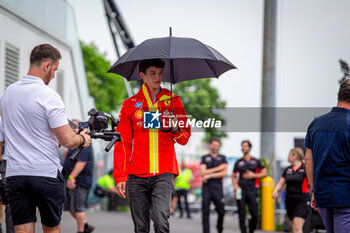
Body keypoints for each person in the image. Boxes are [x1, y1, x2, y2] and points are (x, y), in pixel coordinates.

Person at [0, 44, 91, 233]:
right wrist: (82, 139)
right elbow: (67, 140)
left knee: (22, 228)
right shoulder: (49, 96)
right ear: (47, 66)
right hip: (45, 174)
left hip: (16, 174)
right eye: (55, 70)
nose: (54, 75)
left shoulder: (8, 93)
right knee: (51, 228)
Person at [114, 59, 191, 233]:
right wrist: (120, 176)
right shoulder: (130, 105)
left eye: (160, 73)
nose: (158, 77)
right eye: (152, 73)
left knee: (160, 221)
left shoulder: (173, 101)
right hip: (136, 175)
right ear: (142, 76)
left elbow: (184, 138)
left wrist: (175, 128)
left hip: (164, 173)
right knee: (141, 227)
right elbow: (123, 143)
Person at [305, 79, 350, 233]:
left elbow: (308, 159)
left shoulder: (316, 124)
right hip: (345, 196)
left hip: (322, 195)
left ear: (338, 95)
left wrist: (314, 190)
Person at [63, 120, 95, 233]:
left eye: (72, 127)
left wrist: (71, 177)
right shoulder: (75, 141)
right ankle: (85, 225)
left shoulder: (85, 141)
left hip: (80, 181)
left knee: (78, 207)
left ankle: (81, 230)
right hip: (72, 180)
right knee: (70, 207)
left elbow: (81, 162)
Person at [232, 140, 267, 233]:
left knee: (254, 214)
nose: (243, 148)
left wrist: (253, 175)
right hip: (241, 191)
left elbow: (264, 174)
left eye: (245, 146)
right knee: (241, 214)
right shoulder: (238, 162)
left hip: (252, 190)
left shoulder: (256, 162)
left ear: (250, 148)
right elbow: (233, 176)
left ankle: (251, 231)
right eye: (242, 146)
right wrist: (235, 186)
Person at [272, 148, 311, 233]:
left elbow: (312, 181)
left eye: (289, 154)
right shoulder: (288, 169)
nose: (287, 157)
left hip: (302, 200)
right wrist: (275, 190)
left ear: (295, 156)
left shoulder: (305, 169)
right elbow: (281, 183)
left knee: (297, 226)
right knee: (293, 226)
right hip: (289, 200)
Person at [200, 137, 228, 233]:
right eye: (213, 145)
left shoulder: (222, 158)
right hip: (207, 188)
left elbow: (224, 173)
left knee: (221, 211)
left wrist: (209, 175)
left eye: (217, 145)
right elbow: (202, 172)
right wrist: (218, 168)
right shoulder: (204, 158)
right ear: (210, 145)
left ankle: (219, 228)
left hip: (217, 188)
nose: (215, 147)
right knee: (205, 212)